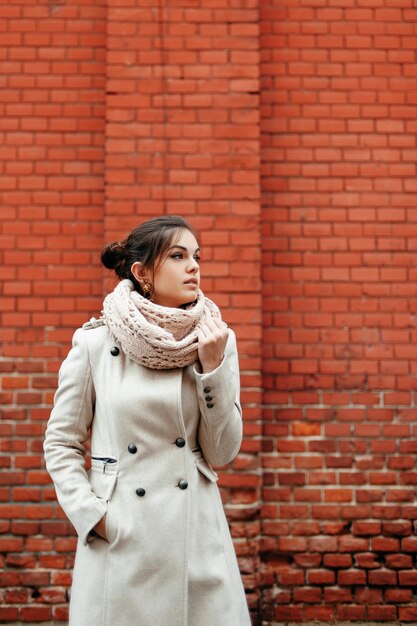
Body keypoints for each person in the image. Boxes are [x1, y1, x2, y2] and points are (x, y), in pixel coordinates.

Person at [44, 215, 251, 626]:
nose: (194, 266)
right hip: (123, 539)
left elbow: (223, 452)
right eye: (177, 256)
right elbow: (62, 442)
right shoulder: (96, 344)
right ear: (142, 273)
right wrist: (95, 517)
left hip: (196, 539)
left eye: (196, 256)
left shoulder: (215, 341)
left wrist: (212, 370)